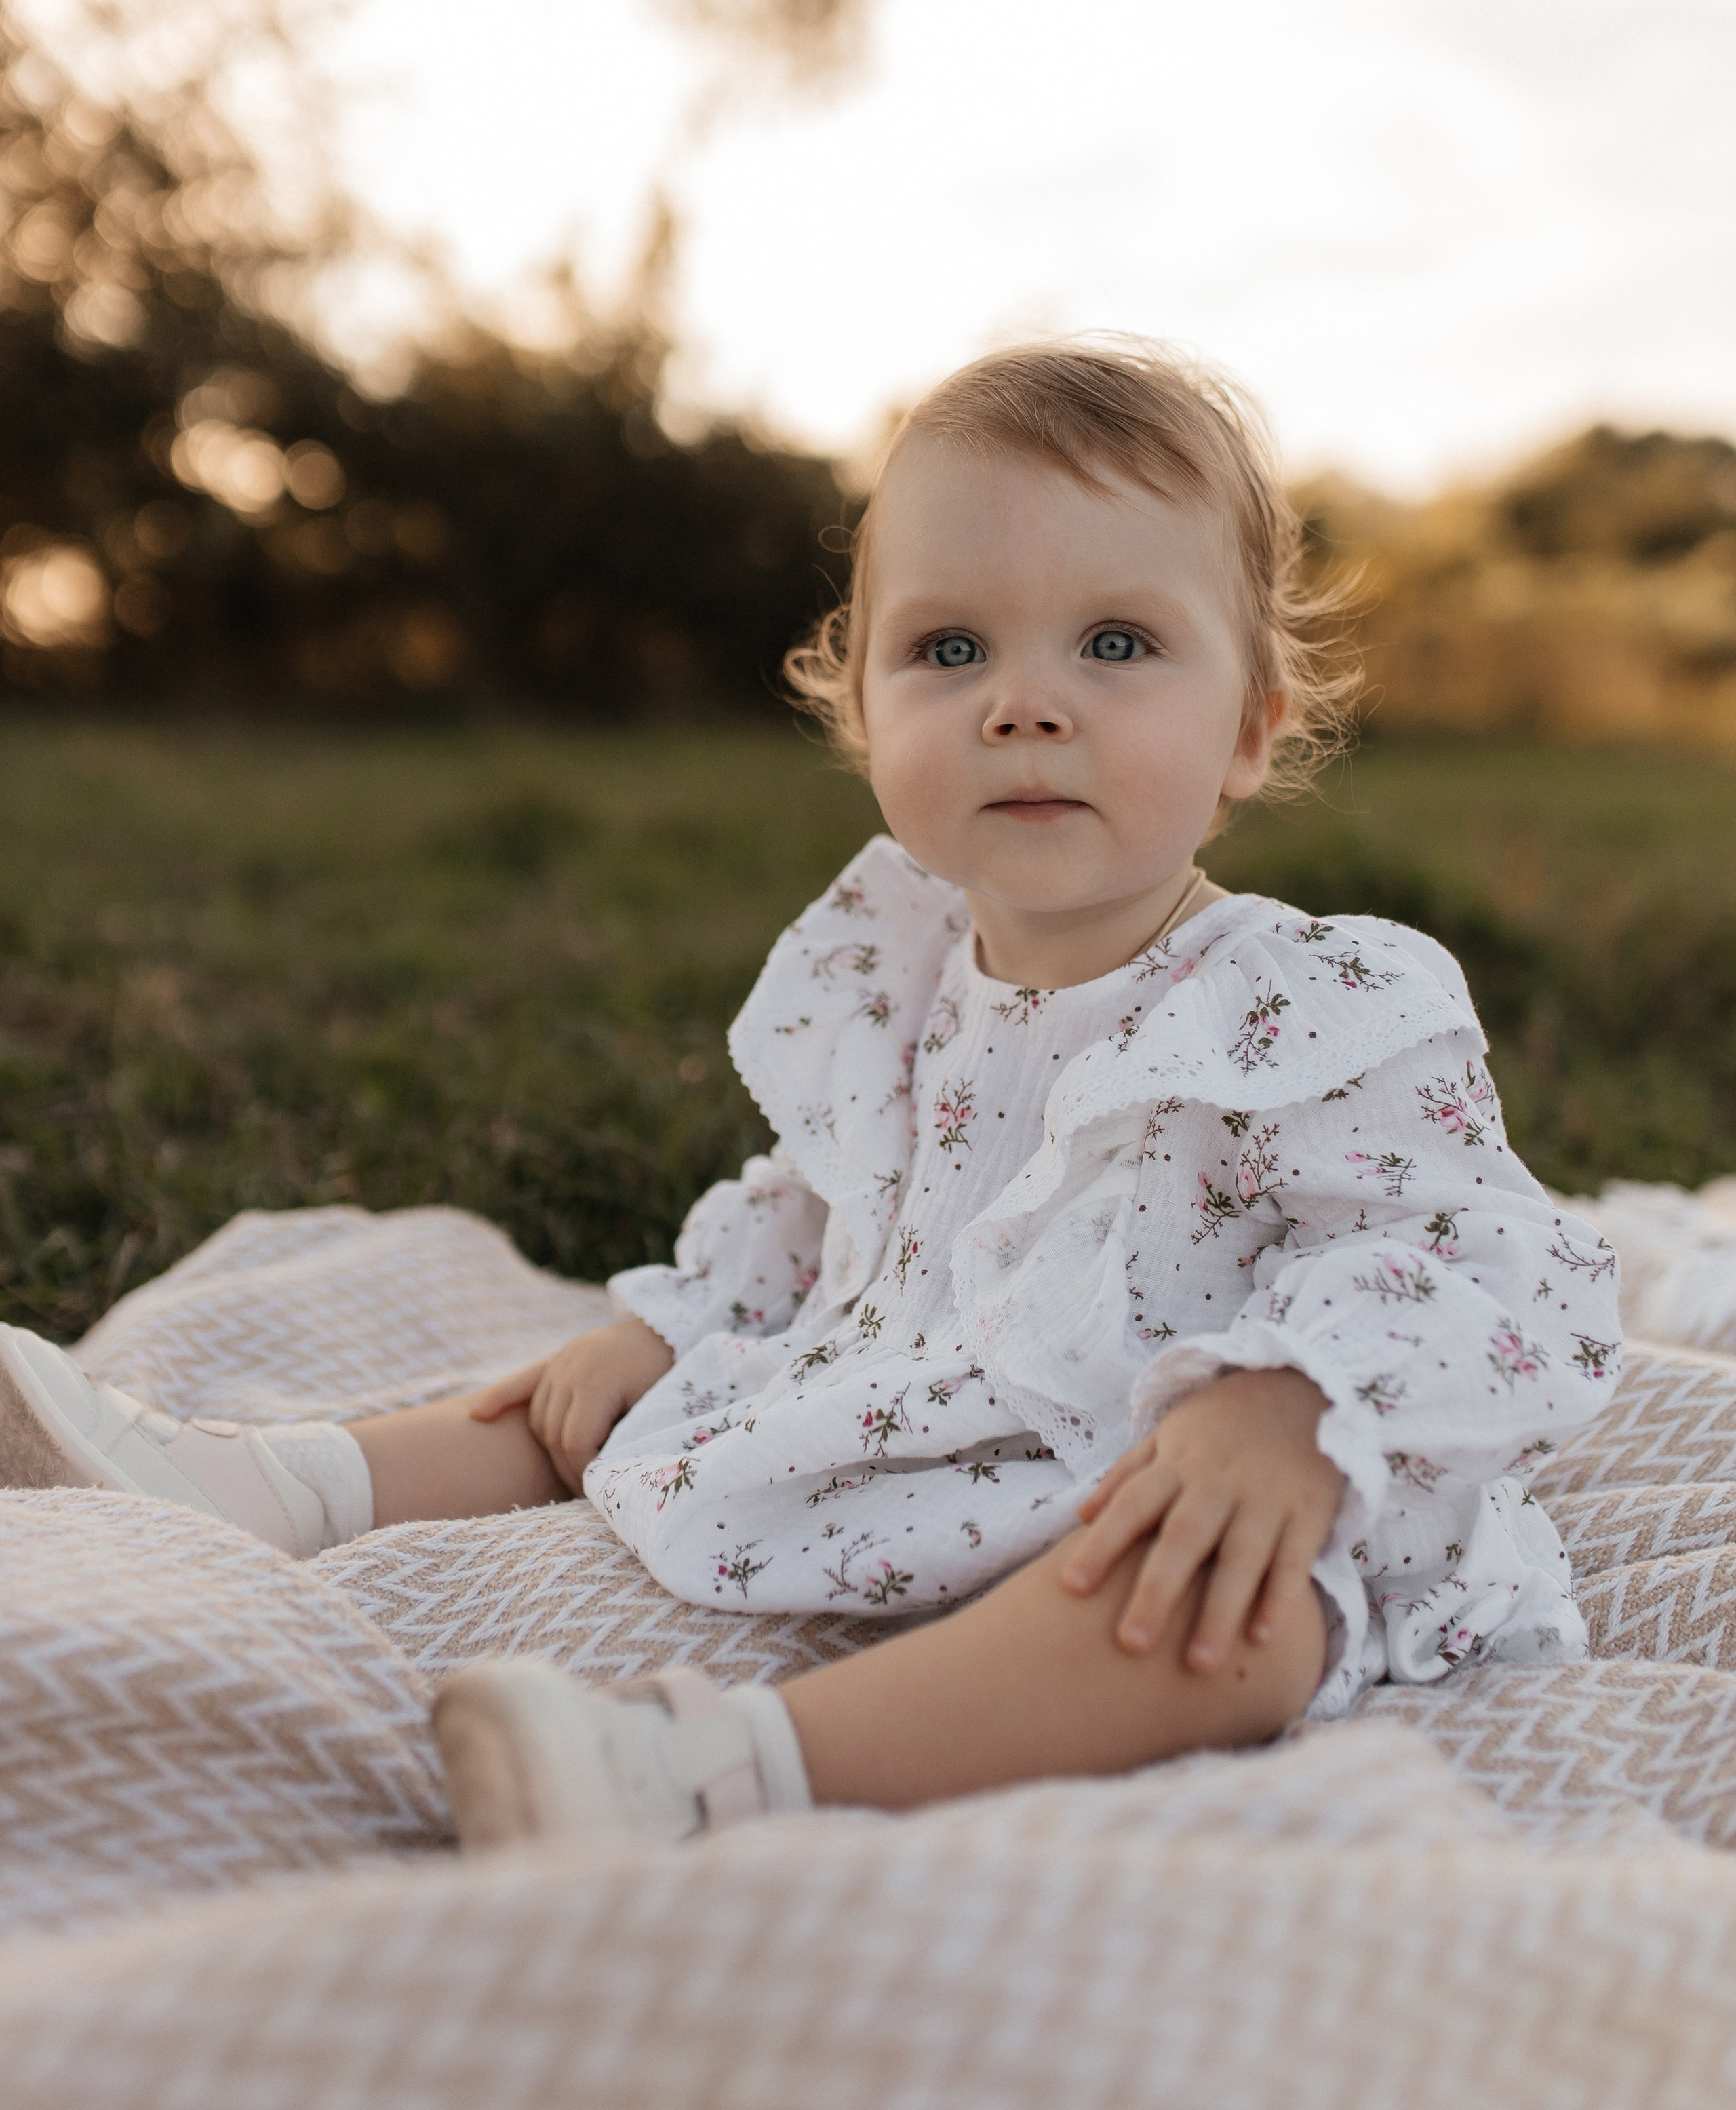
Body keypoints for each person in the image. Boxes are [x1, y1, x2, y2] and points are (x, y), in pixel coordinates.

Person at [0, 339, 1622, 1851]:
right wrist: (673, 1318)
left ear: (1249, 731)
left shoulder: (1311, 998)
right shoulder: (901, 964)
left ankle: (713, 1771)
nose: (1023, 699)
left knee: (1218, 1616)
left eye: (1115, 644)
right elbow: (825, 1196)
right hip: (919, 1415)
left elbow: (1489, 1266)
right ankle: (260, 1483)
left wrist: (1293, 1407)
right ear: (863, 717)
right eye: (948, 648)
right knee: (595, 1394)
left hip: (1183, 1482)